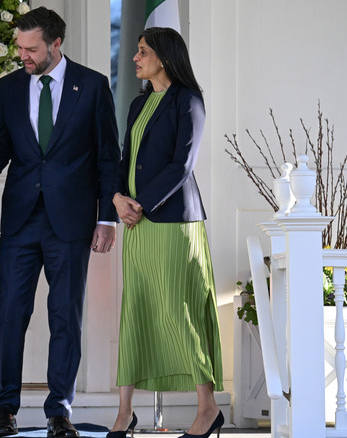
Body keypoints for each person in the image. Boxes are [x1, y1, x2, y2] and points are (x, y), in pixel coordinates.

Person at [0, 7, 120, 438]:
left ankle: (59, 411)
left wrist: (107, 218)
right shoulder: (9, 87)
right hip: (21, 220)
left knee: (66, 315)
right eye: (20, 48)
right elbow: (0, 145)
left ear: (56, 44)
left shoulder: (94, 86)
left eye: (31, 49)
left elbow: (107, 157)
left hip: (73, 220)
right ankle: (4, 411)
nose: (23, 56)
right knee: (10, 313)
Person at [107, 27, 223, 438]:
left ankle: (207, 409)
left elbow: (182, 164)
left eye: (142, 52)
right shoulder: (138, 105)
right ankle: (124, 413)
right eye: (136, 51)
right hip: (137, 224)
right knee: (135, 311)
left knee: (181, 314)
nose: (135, 58)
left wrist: (140, 204)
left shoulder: (188, 100)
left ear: (165, 57)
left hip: (173, 224)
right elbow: (126, 159)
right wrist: (118, 198)